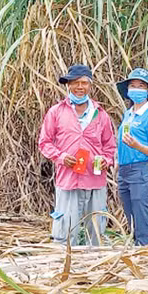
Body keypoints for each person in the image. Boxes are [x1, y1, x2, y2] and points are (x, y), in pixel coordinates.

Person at [38, 64, 116, 246]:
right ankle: (63, 265)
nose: (80, 87)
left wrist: (106, 160)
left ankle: (92, 265)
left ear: (90, 86)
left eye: (84, 83)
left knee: (95, 228)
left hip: (95, 180)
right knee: (65, 227)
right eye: (75, 83)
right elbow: (44, 142)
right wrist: (61, 157)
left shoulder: (100, 114)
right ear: (68, 85)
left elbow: (110, 146)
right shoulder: (56, 112)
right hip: (68, 178)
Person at [115, 68, 148, 245]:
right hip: (124, 171)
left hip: (142, 171)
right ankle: (137, 254)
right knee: (132, 220)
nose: (136, 89)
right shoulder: (128, 114)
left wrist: (137, 146)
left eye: (141, 86)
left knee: (143, 223)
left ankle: (146, 256)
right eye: (133, 86)